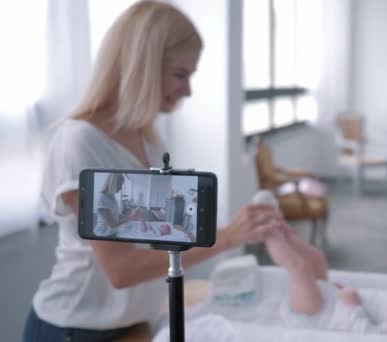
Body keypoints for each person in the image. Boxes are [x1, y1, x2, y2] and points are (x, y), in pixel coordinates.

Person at [23, 1, 281, 341]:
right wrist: (228, 236)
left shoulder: (144, 139)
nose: (187, 90)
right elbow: (121, 269)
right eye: (180, 74)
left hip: (130, 324)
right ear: (141, 65)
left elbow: (156, 236)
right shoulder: (80, 141)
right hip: (74, 329)